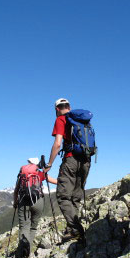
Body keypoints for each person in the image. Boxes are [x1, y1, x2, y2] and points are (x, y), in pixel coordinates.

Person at [44, 98, 91, 242]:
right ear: (69, 107)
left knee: (63, 196)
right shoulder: (83, 120)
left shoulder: (61, 119)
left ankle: (76, 231)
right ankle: (73, 229)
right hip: (86, 160)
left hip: (71, 159)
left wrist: (49, 164)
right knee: (76, 195)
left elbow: (57, 143)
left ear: (57, 109)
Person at [13, 158, 57, 258]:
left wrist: (15, 202)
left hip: (23, 201)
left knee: (24, 227)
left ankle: (23, 249)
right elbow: (55, 181)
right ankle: (28, 252)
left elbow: (16, 190)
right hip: (38, 201)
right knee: (33, 227)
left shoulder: (22, 174)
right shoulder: (40, 173)